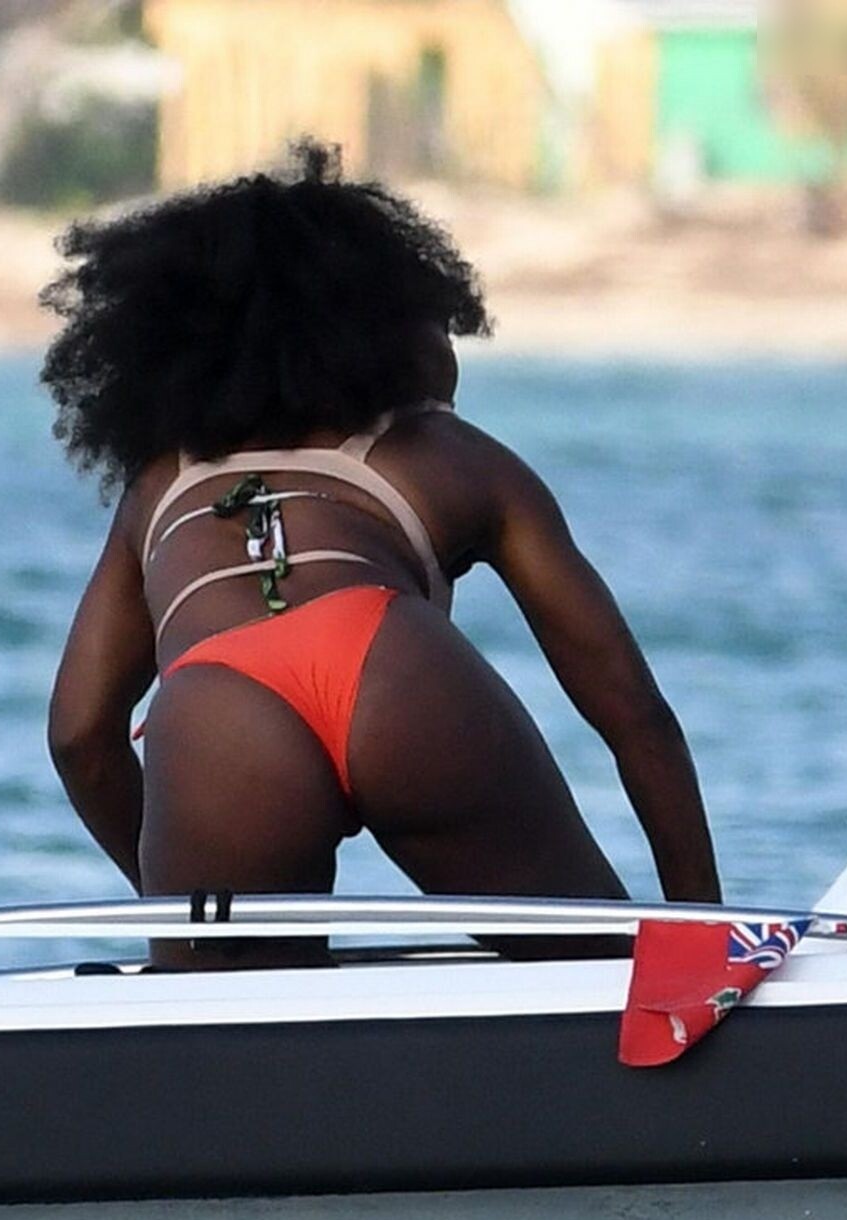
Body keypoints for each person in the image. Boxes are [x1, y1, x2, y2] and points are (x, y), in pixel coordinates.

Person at [43, 143, 720, 969]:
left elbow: (80, 736)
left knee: (226, 1021)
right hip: (393, 670)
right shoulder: (447, 456)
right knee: (595, 977)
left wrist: (182, 908)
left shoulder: (158, 486)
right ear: (376, 327)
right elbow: (633, 712)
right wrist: (705, 937)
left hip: (219, 714)